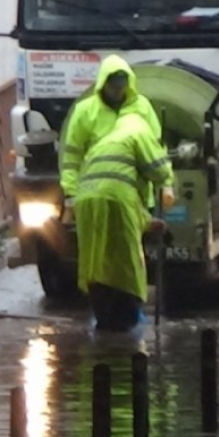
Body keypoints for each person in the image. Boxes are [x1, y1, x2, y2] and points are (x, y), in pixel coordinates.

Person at [74, 108, 175, 332]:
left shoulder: (106, 139)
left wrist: (148, 222)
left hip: (85, 201)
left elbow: (117, 183)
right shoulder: (139, 130)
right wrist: (168, 182)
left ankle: (104, 321)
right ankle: (125, 322)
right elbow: (157, 170)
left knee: (97, 260)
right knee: (125, 261)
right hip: (116, 200)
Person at [60, 54, 173, 212]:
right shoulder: (84, 111)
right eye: (113, 86)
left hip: (136, 197)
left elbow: (156, 149)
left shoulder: (142, 107)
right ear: (103, 83)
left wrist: (165, 184)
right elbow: (72, 157)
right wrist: (70, 194)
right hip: (97, 194)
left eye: (121, 86)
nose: (118, 91)